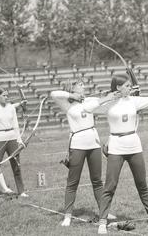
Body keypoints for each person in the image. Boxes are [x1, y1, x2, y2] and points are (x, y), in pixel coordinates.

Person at [83, 74, 148, 235]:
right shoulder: (108, 103)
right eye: (126, 86)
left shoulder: (133, 101)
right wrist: (107, 98)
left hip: (134, 146)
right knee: (110, 186)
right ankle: (102, 222)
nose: (130, 88)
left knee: (142, 183)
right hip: (116, 147)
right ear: (117, 87)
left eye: (129, 86)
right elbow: (87, 108)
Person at [51, 79, 117, 227]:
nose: (84, 86)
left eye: (83, 84)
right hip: (77, 145)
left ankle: (104, 212)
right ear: (72, 87)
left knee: (97, 181)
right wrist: (72, 96)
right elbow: (53, 93)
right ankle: (67, 216)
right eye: (80, 85)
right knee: (72, 182)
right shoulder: (66, 104)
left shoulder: (89, 100)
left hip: (93, 143)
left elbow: (104, 103)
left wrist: (114, 96)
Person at [0, 86, 28, 203]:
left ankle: (21, 191)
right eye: (3, 95)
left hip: (12, 138)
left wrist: (19, 139)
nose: (6, 97)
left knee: (16, 165)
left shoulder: (11, 108)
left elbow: (16, 124)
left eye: (7, 95)